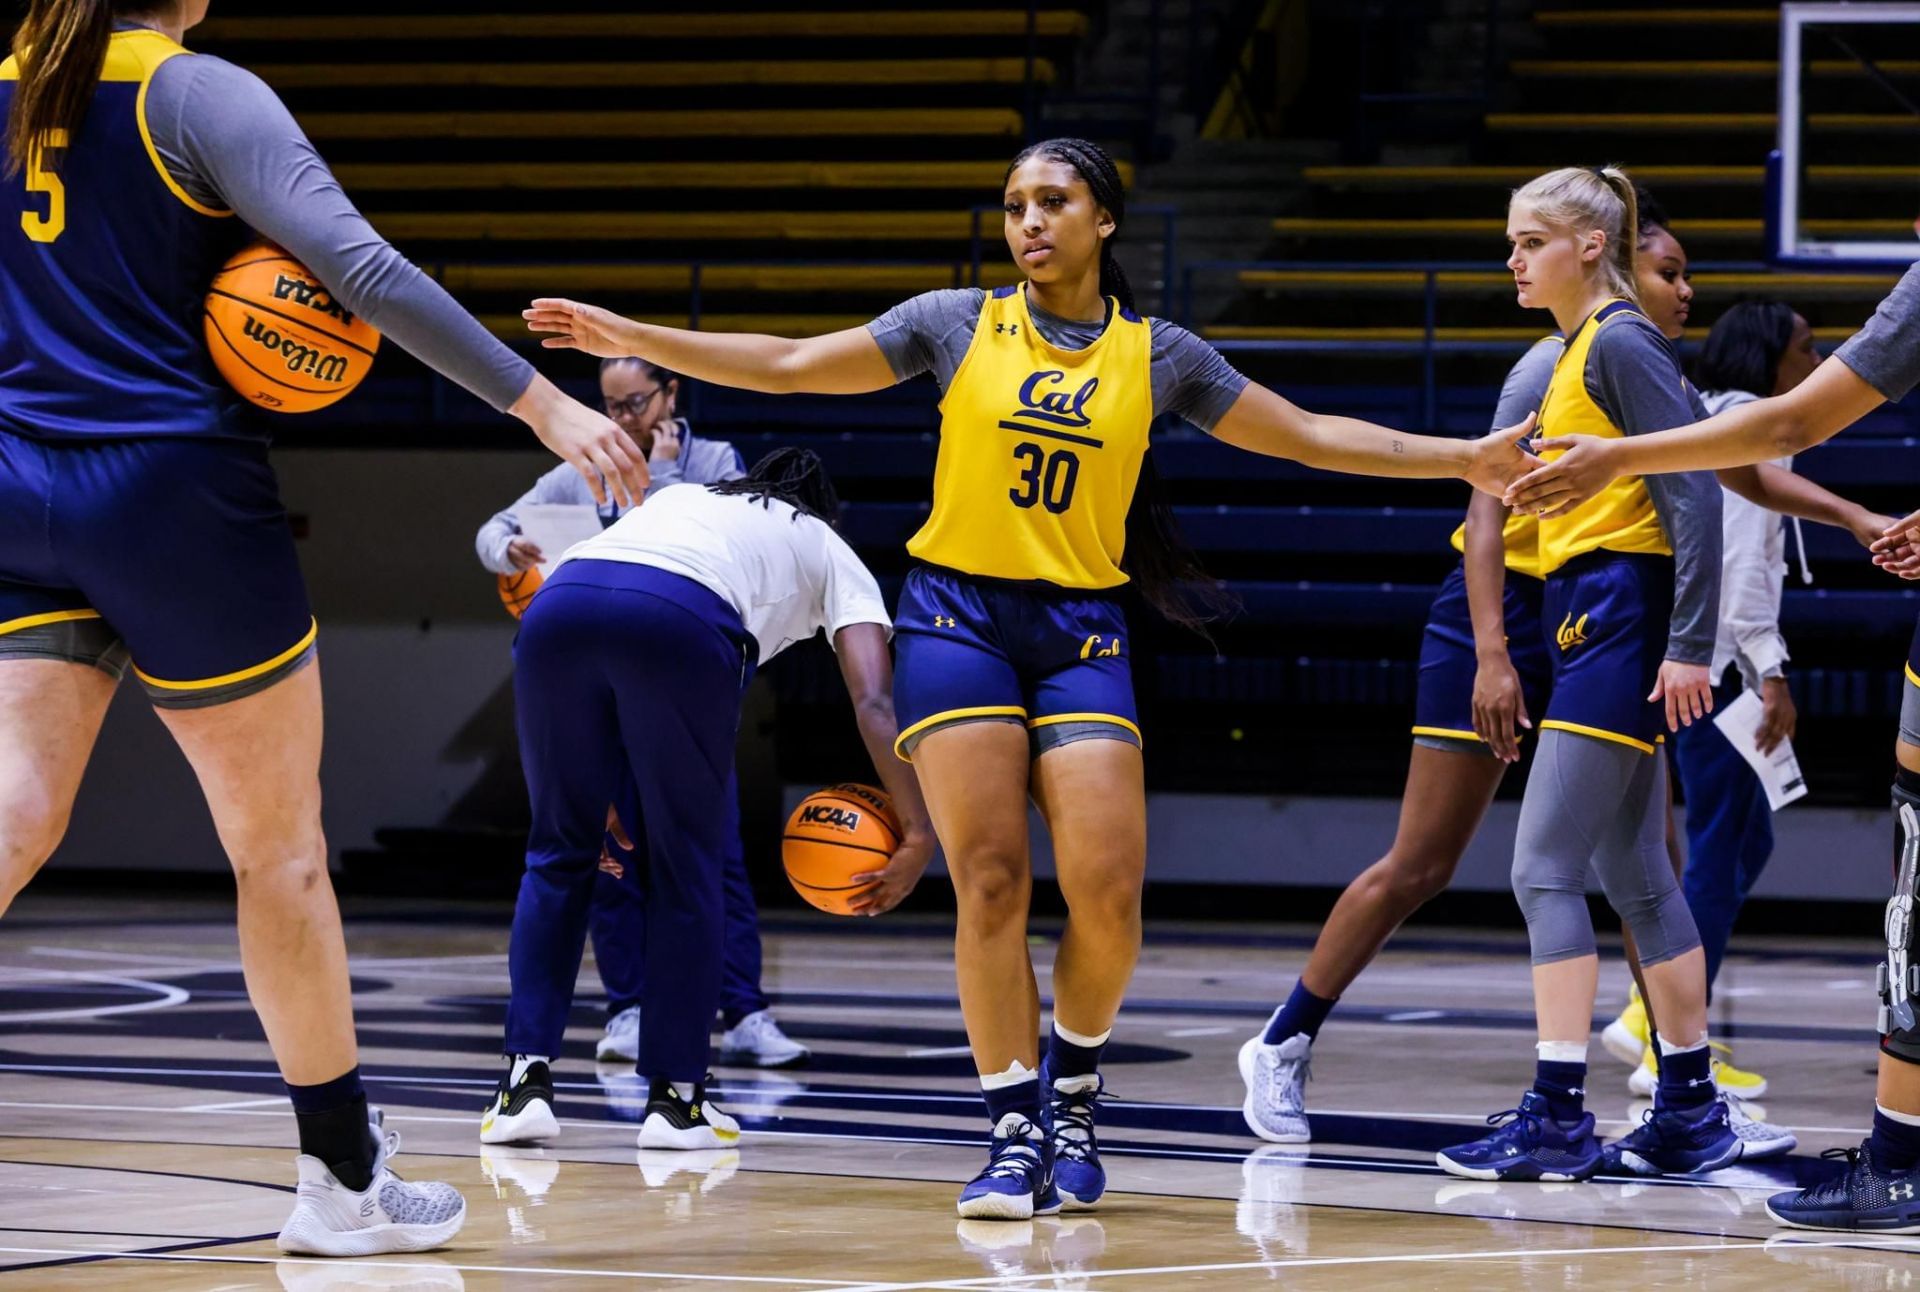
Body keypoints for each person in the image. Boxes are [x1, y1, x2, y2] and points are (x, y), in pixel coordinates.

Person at [523, 137, 1535, 1218]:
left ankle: (1076, 1089)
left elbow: (1307, 435)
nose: (1029, 222)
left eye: (1053, 201)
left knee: (1109, 895)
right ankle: (1013, 1127)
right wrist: (627, 334)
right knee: (993, 880)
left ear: (1104, 220)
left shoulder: (1160, 355)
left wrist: (1461, 456)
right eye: (1014, 205)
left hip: (1080, 624)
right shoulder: (955, 322)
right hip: (956, 613)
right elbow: (784, 360)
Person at [0, 0, 644, 1257]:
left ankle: (347, 1175)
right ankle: (342, 1181)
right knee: (278, 847)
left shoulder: (11, 79)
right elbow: (363, 272)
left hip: (21, 478)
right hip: (173, 489)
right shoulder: (195, 93)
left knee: (16, 808)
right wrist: (546, 408)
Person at [1503, 254, 1920, 1231]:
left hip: (1684, 653)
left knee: (1656, 862)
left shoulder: (1650, 380)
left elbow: (1749, 470)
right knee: (1657, 861)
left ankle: (1653, 1076)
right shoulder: (1575, 366)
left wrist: (1616, 459)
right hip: (1669, 652)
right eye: (1668, 267)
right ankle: (1669, 1066)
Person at [482, 450, 935, 1151]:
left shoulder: (682, 500)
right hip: (681, 619)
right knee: (686, 868)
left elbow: (615, 600)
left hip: (557, 609)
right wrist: (916, 832)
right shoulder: (825, 543)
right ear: (825, 510)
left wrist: (591, 769)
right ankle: (676, 1101)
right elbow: (874, 699)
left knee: (558, 852)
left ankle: (521, 1086)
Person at [1432, 166, 1743, 1184]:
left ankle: (1559, 1109)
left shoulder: (1618, 341)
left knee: (1541, 868)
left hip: (1622, 609)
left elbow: (1694, 489)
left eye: (1529, 240)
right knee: (1640, 877)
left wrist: (1689, 639)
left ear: (1590, 246)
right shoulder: (1573, 352)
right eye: (1511, 242)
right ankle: (1691, 1107)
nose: (1512, 258)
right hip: (1591, 613)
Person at [1597, 205, 1889, 1113]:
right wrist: (1771, 672)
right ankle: (1663, 1031)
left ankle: (1657, 1019)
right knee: (1719, 853)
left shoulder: (1723, 420)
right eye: (1806, 350)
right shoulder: (1743, 424)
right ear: (1769, 356)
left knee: (1738, 839)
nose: (1816, 365)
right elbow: (1735, 573)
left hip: (1717, 662)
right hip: (1718, 668)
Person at [476, 360, 806, 1071]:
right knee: (610, 860)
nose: (623, 418)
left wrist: (658, 476)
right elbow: (492, 529)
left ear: (671, 394)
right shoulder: (583, 463)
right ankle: (626, 1008)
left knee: (714, 856)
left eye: (635, 403)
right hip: (595, 690)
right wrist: (509, 550)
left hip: (683, 683)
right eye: (611, 405)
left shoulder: (716, 461)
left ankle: (744, 1012)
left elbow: (720, 538)